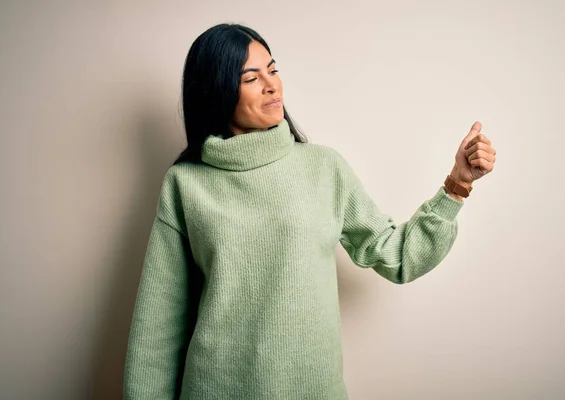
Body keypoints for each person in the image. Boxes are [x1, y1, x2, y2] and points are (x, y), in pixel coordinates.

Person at [123, 23, 496, 400]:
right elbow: (157, 328)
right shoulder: (185, 184)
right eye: (251, 77)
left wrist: (457, 185)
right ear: (217, 91)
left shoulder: (323, 168)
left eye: (273, 69)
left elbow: (397, 256)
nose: (272, 85)